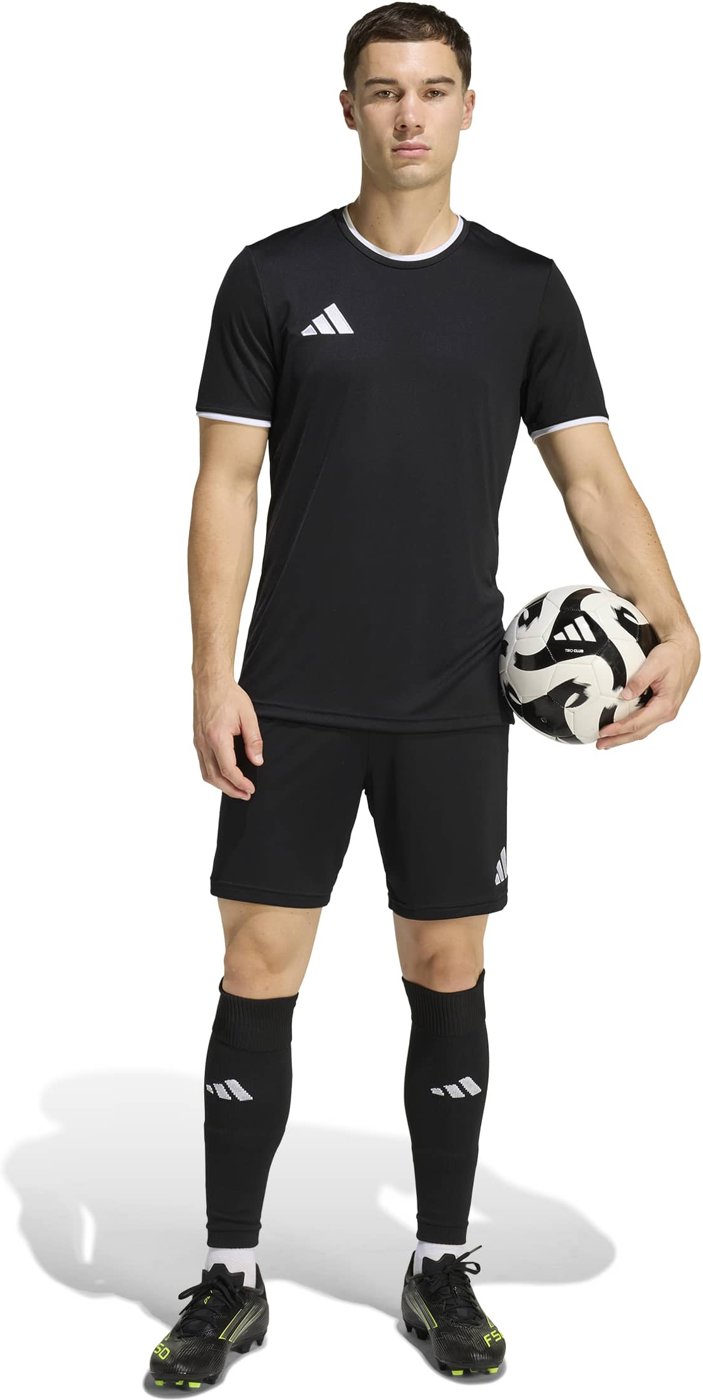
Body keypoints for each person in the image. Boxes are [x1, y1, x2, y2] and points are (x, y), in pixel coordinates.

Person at [149, 3, 700, 1387]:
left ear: (468, 106)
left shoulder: (524, 289)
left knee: (448, 971)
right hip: (294, 695)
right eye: (385, 90)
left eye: (434, 89)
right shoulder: (273, 277)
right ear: (345, 106)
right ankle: (229, 1278)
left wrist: (679, 627)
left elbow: (591, 479)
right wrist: (212, 673)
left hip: (457, 696)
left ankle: (441, 1264)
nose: (409, 114)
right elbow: (226, 483)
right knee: (256, 968)